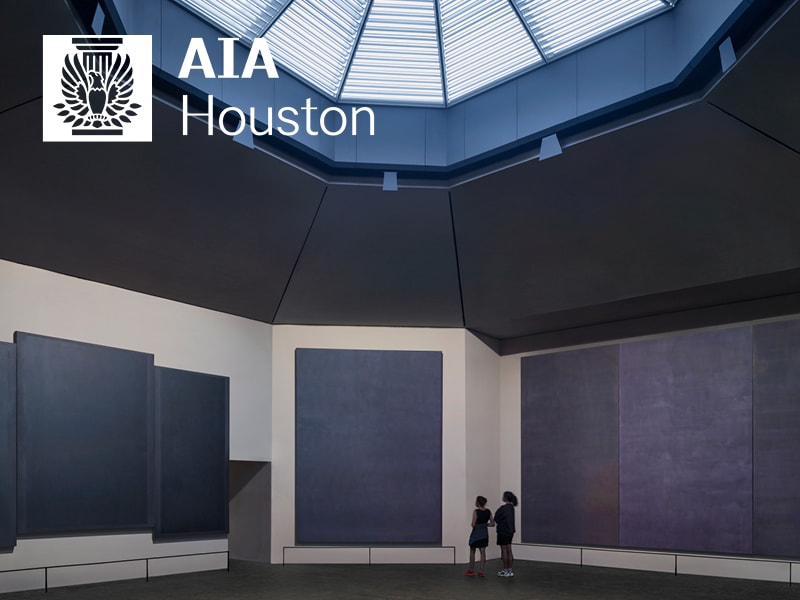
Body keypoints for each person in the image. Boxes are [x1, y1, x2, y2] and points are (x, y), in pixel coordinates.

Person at [464, 496, 494, 577]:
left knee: (472, 551)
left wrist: (477, 525)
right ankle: (481, 571)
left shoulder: (476, 511)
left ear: (478, 502)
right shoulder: (488, 511)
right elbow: (493, 523)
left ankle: (471, 570)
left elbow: (473, 524)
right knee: (483, 552)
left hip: (476, 534)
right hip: (484, 534)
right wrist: (485, 524)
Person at [494, 491, 517, 577]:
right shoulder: (511, 508)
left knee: (504, 550)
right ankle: (510, 570)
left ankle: (505, 570)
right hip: (510, 531)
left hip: (503, 531)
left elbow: (496, 518)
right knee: (509, 550)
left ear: (506, 498)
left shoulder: (503, 508)